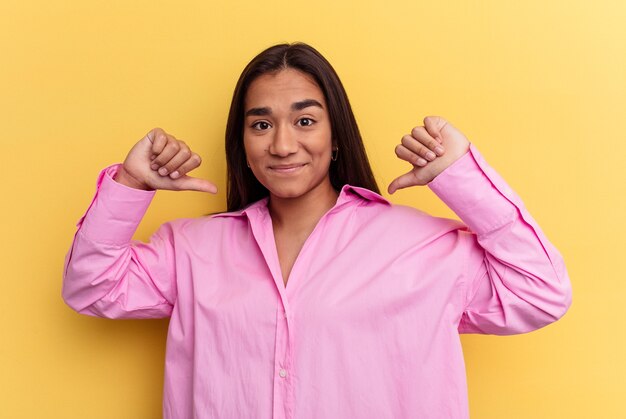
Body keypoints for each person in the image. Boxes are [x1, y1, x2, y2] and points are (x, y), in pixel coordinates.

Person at [62, 43, 572, 419]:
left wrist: (461, 176)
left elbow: (542, 293)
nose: (282, 144)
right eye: (260, 125)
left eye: (305, 121)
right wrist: (130, 183)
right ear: (241, 141)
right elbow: (91, 287)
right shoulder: (190, 250)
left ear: (335, 136)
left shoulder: (423, 248)